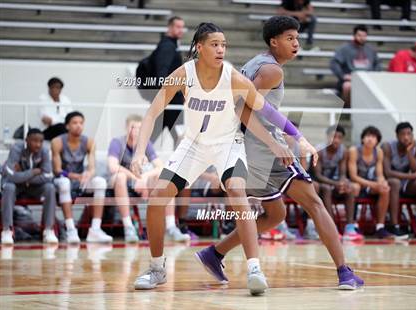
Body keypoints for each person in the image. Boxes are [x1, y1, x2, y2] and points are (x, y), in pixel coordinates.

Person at [131, 21, 316, 295]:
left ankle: (255, 269)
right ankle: (157, 268)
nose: (221, 50)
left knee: (236, 191)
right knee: (157, 200)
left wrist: (295, 139)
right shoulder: (183, 74)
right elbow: (151, 114)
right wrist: (138, 153)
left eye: (224, 45)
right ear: (199, 47)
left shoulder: (233, 77)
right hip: (193, 145)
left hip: (228, 144)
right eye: (215, 44)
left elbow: (267, 112)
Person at [195, 16, 364, 290]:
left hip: (244, 149)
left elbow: (259, 109)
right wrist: (276, 144)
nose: (296, 43)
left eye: (297, 38)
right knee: (315, 203)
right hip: (261, 151)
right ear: (274, 42)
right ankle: (344, 272)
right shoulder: (273, 71)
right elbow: (243, 108)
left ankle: (214, 254)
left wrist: (291, 136)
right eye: (289, 38)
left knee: (275, 215)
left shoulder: (255, 62)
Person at [51, 111, 112, 244]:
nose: (78, 126)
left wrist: (88, 174)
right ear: (67, 126)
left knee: (100, 182)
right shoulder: (57, 142)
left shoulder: (89, 142)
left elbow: (92, 167)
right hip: (63, 179)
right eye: (75, 123)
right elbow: (57, 170)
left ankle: (95, 230)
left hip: (79, 180)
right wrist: (74, 176)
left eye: (81, 123)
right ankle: (71, 230)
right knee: (64, 183)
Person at [107, 114, 162, 242]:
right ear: (126, 128)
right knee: (120, 176)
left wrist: (144, 178)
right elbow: (113, 167)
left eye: (139, 128)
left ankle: (171, 225)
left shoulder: (146, 144)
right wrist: (136, 179)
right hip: (118, 182)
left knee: (164, 177)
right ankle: (128, 227)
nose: (136, 130)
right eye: (133, 127)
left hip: (139, 181)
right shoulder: (117, 142)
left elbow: (160, 167)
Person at [0, 128, 58, 244]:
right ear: (26, 140)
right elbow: (10, 175)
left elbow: (48, 176)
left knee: (50, 188)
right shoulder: (17, 148)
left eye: (40, 141)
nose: (38, 144)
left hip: (33, 187)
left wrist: (22, 176)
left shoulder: (45, 151)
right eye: (34, 141)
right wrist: (33, 172)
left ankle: (48, 229)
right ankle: (7, 230)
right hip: (15, 185)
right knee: (9, 187)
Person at [313, 125, 363, 241]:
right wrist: (335, 184)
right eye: (333, 137)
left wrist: (343, 182)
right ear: (328, 137)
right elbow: (318, 175)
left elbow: (342, 173)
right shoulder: (319, 151)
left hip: (333, 182)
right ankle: (332, 227)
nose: (336, 140)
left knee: (349, 189)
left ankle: (349, 227)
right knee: (326, 188)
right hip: (319, 183)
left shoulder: (343, 151)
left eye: (339, 137)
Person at [348, 126, 393, 239]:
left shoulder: (378, 152)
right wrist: (373, 184)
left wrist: (382, 182)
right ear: (363, 138)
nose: (370, 139)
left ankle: (380, 227)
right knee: (355, 187)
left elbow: (379, 174)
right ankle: (353, 225)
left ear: (377, 140)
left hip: (369, 184)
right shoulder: (354, 151)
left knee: (385, 189)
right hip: (356, 183)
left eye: (373, 137)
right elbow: (353, 176)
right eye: (368, 136)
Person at [149, 16, 186, 146]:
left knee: (176, 137)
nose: (181, 30)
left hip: (170, 100)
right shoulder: (167, 47)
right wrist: (173, 93)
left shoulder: (171, 45)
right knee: (179, 137)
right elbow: (162, 74)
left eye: (182, 27)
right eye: (178, 27)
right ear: (170, 27)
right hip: (170, 101)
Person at [330, 25, 381, 107]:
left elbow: (378, 64)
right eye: (359, 35)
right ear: (354, 35)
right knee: (347, 86)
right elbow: (334, 63)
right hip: (350, 79)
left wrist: (374, 75)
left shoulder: (371, 50)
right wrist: (343, 76)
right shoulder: (344, 49)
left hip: (367, 79)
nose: (362, 38)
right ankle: (347, 110)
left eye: (364, 36)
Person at [382, 122, 416, 239]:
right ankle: (394, 225)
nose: (406, 137)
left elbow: (415, 169)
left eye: (409, 134)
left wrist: (409, 152)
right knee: (395, 182)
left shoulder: (414, 149)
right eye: (403, 134)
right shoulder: (387, 146)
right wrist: (411, 177)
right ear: (397, 136)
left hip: (404, 184)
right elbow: (387, 172)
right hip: (387, 182)